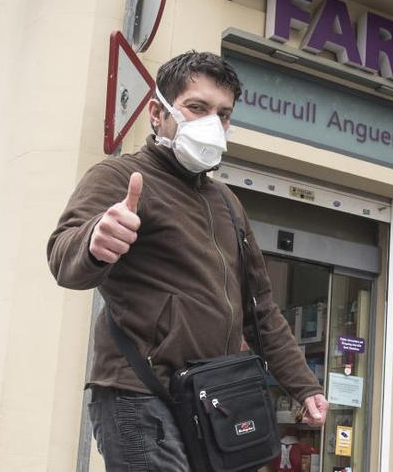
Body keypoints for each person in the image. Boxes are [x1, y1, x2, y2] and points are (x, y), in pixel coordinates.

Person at [47, 51, 328, 470]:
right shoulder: (121, 177)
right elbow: (61, 252)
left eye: (223, 114)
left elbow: (261, 309)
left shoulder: (228, 204)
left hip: (209, 396)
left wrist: (303, 385)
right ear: (157, 113)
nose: (212, 123)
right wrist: (94, 240)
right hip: (138, 394)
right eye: (197, 107)